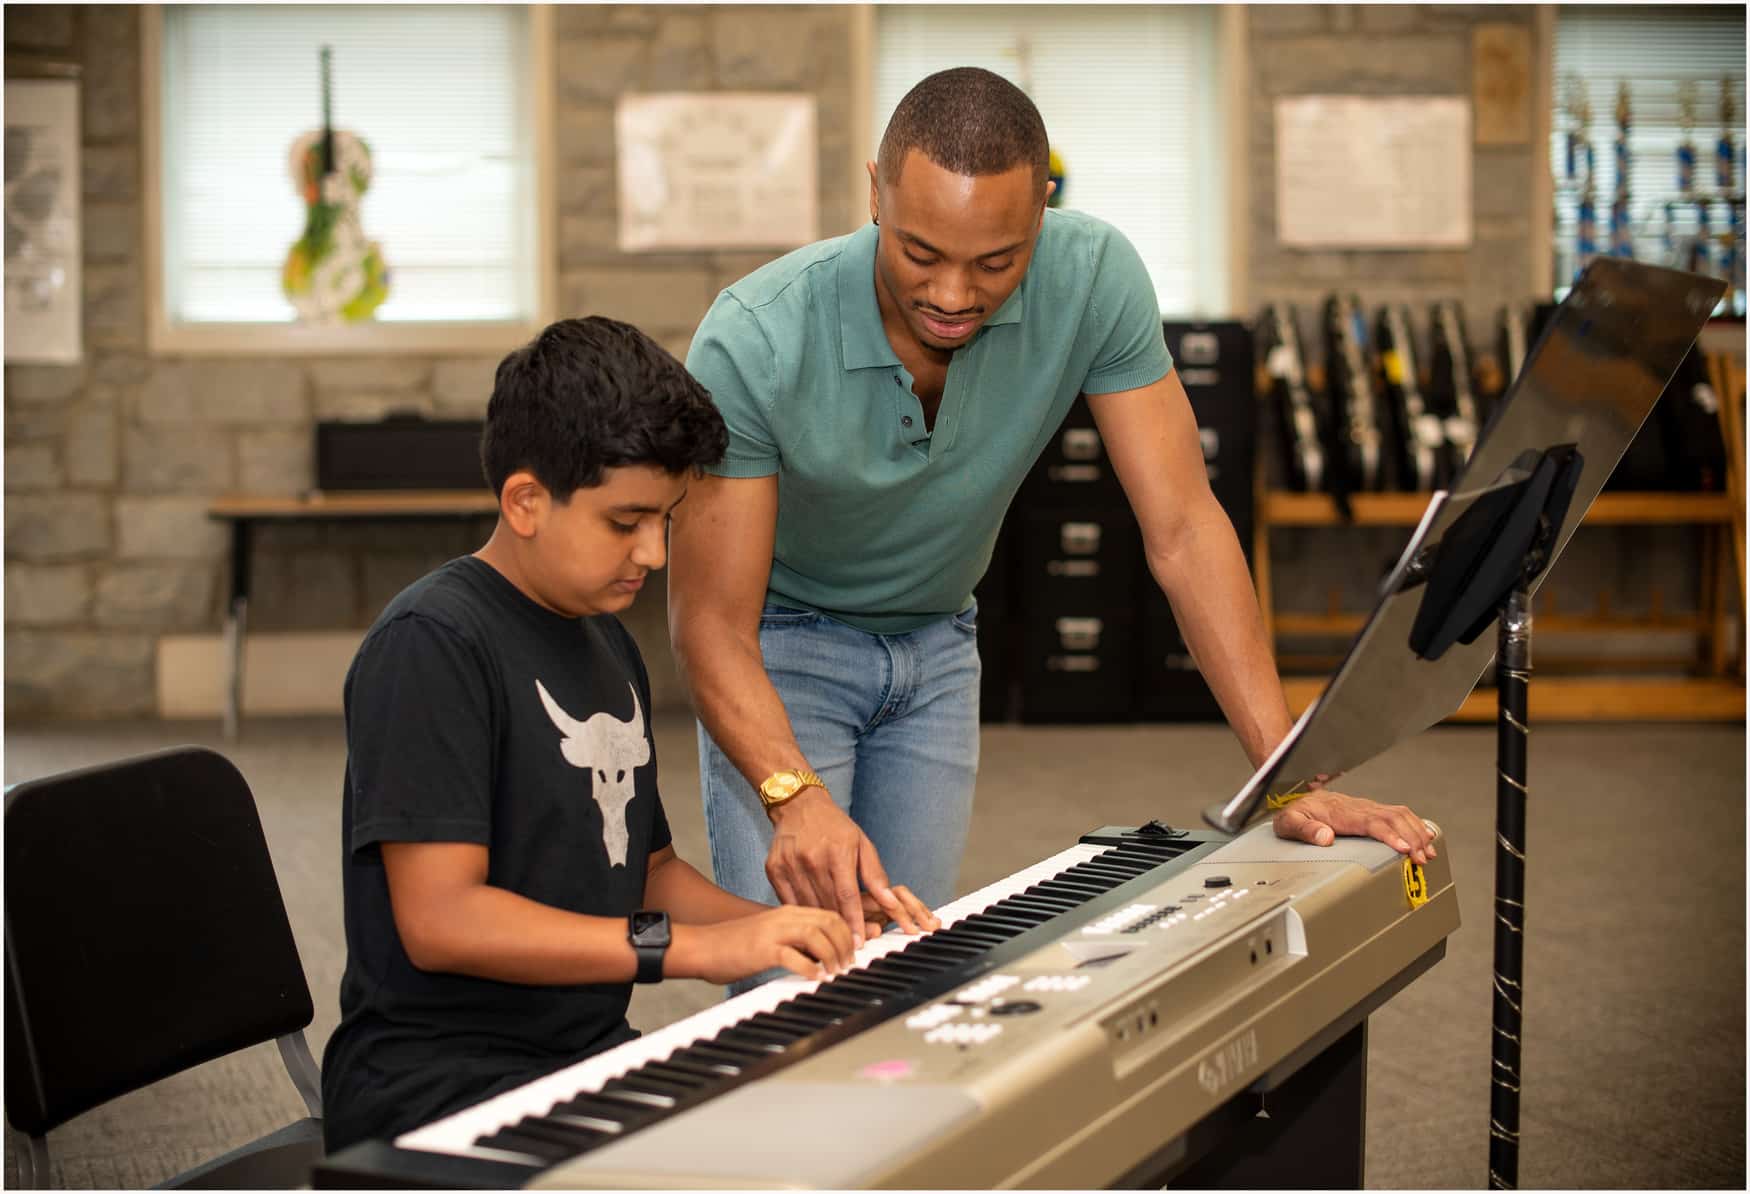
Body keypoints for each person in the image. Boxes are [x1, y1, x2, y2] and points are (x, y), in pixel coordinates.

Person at [670, 67, 1437, 963]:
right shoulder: (756, 337)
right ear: (875, 192)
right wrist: (794, 799)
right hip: (782, 655)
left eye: (995, 261)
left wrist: (1283, 777)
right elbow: (709, 624)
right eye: (920, 253)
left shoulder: (1093, 275)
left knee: (911, 974)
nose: (953, 295)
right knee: (789, 979)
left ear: (1044, 208)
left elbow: (1185, 527)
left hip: (938, 650)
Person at [319, 316, 931, 1153]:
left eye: (667, 519)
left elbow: (644, 874)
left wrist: (792, 930)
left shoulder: (605, 639)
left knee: (830, 1128)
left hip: (582, 1056)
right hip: (440, 1083)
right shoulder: (431, 645)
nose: (654, 551)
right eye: (625, 521)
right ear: (526, 502)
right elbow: (443, 921)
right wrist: (694, 950)